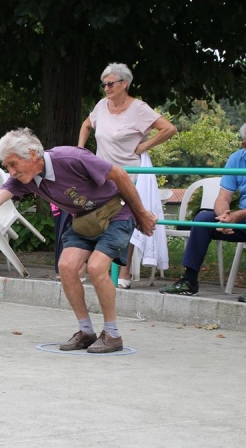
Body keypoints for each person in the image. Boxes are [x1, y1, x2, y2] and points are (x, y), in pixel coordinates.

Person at [0, 128, 157, 353]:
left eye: (13, 164)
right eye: (7, 166)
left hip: (116, 214)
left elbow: (120, 175)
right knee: (66, 267)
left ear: (32, 154)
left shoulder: (71, 158)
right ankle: (86, 331)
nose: (11, 171)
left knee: (96, 268)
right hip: (84, 220)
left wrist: (142, 213)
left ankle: (113, 334)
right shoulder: (23, 180)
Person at [160, 119, 246, 304]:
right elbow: (223, 198)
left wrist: (238, 215)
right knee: (203, 218)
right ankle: (189, 281)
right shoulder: (236, 159)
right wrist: (224, 217)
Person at [78, 62, 177, 289]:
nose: (106, 88)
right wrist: (81, 150)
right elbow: (86, 124)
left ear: (125, 84)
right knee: (93, 216)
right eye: (104, 84)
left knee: (124, 219)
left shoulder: (139, 108)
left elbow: (169, 128)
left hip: (129, 173)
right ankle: (85, 267)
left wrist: (145, 146)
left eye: (111, 84)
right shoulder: (102, 105)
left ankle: (123, 273)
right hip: (102, 173)